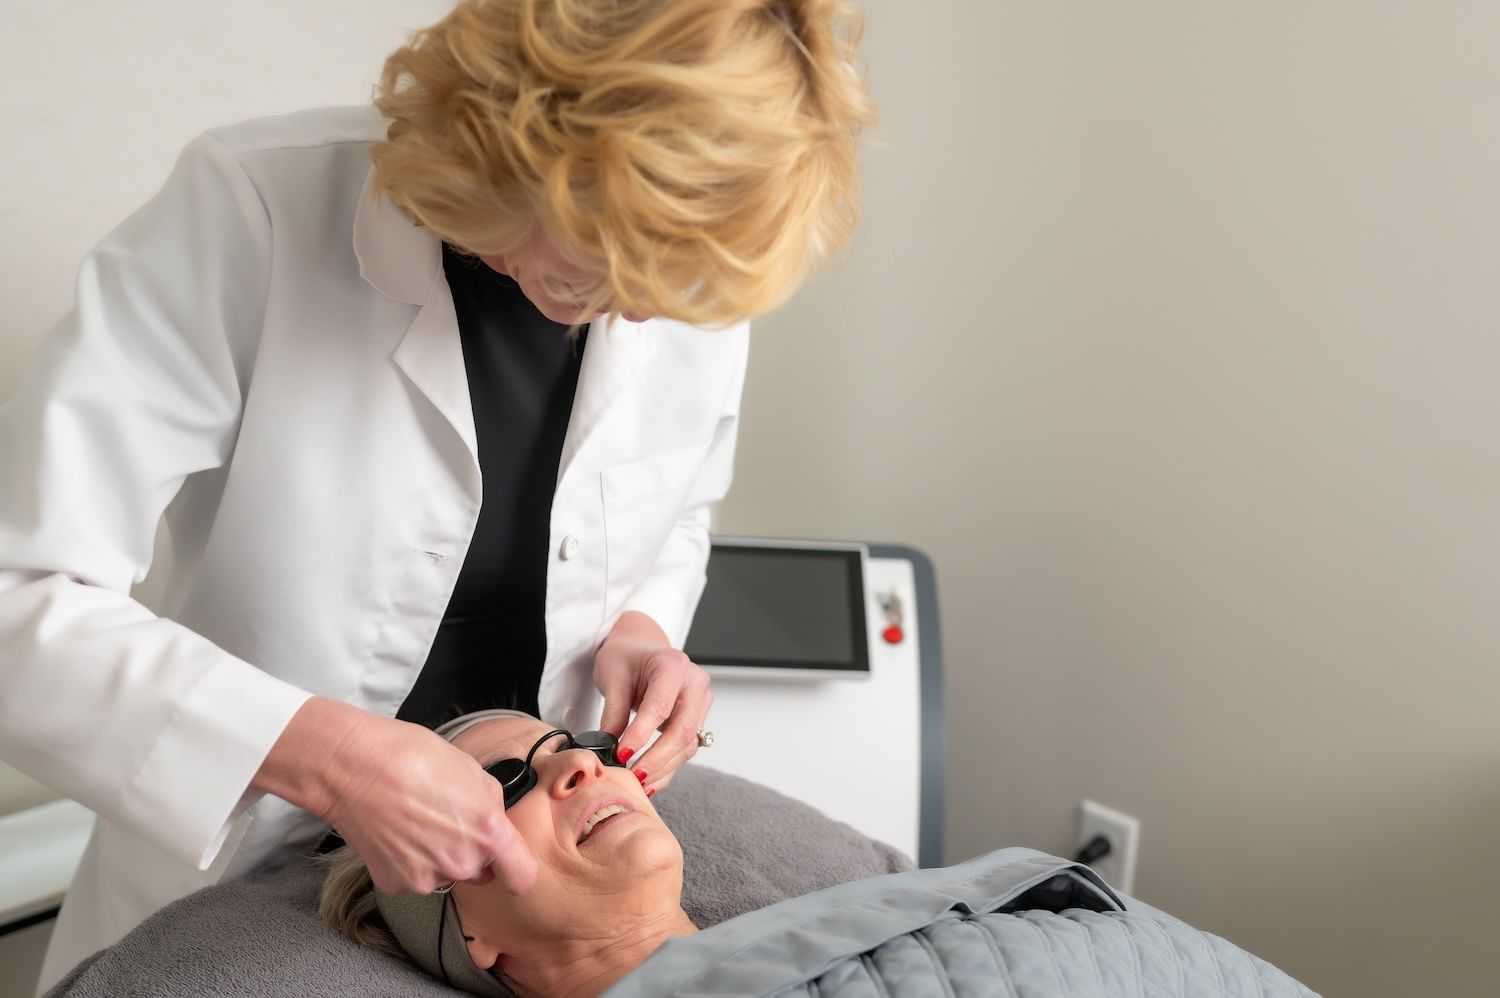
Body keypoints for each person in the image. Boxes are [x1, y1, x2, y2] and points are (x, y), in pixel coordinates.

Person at [0, 0, 874, 990]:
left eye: (679, 287)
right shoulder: (256, 212)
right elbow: (19, 589)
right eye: (618, 259)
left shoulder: (681, 261)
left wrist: (642, 620)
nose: (646, 310)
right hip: (248, 855)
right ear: (525, 149)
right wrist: (328, 757)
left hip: (513, 885)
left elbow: (679, 502)